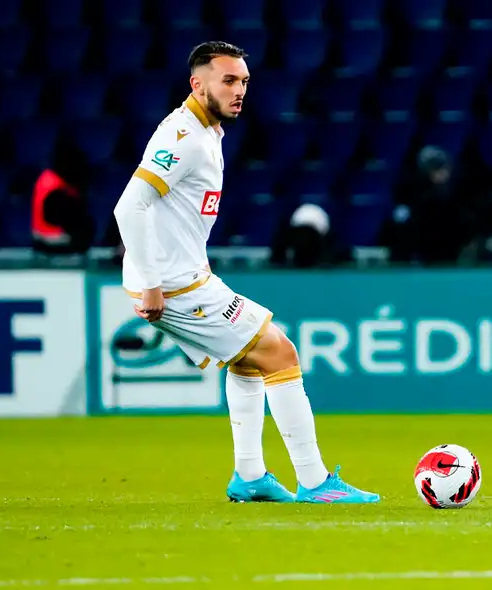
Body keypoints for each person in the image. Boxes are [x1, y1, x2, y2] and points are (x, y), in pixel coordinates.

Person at [112, 41, 378, 504]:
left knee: (248, 360)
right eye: (228, 81)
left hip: (182, 275)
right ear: (198, 84)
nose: (239, 91)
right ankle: (315, 483)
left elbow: (171, 213)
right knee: (281, 352)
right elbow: (129, 206)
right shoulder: (185, 137)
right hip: (173, 285)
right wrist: (152, 284)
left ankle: (250, 476)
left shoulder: (206, 132)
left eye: (244, 82)